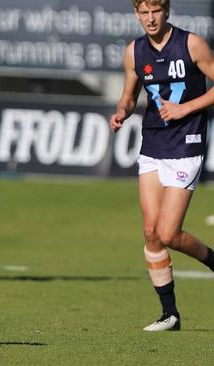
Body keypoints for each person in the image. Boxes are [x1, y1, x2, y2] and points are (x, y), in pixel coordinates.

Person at [110, 0, 214, 331]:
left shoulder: (191, 43)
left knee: (169, 232)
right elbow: (129, 95)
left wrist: (186, 109)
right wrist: (122, 112)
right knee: (150, 232)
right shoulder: (134, 52)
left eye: (156, 10)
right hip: (152, 144)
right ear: (136, 14)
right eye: (144, 12)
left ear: (166, 11)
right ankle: (170, 314)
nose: (151, 18)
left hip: (187, 144)